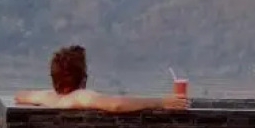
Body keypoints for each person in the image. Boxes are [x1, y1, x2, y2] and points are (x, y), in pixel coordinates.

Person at [14, 45, 187, 112]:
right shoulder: (79, 96)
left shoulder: (48, 97)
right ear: (82, 77)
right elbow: (116, 105)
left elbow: (20, 96)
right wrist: (161, 102)